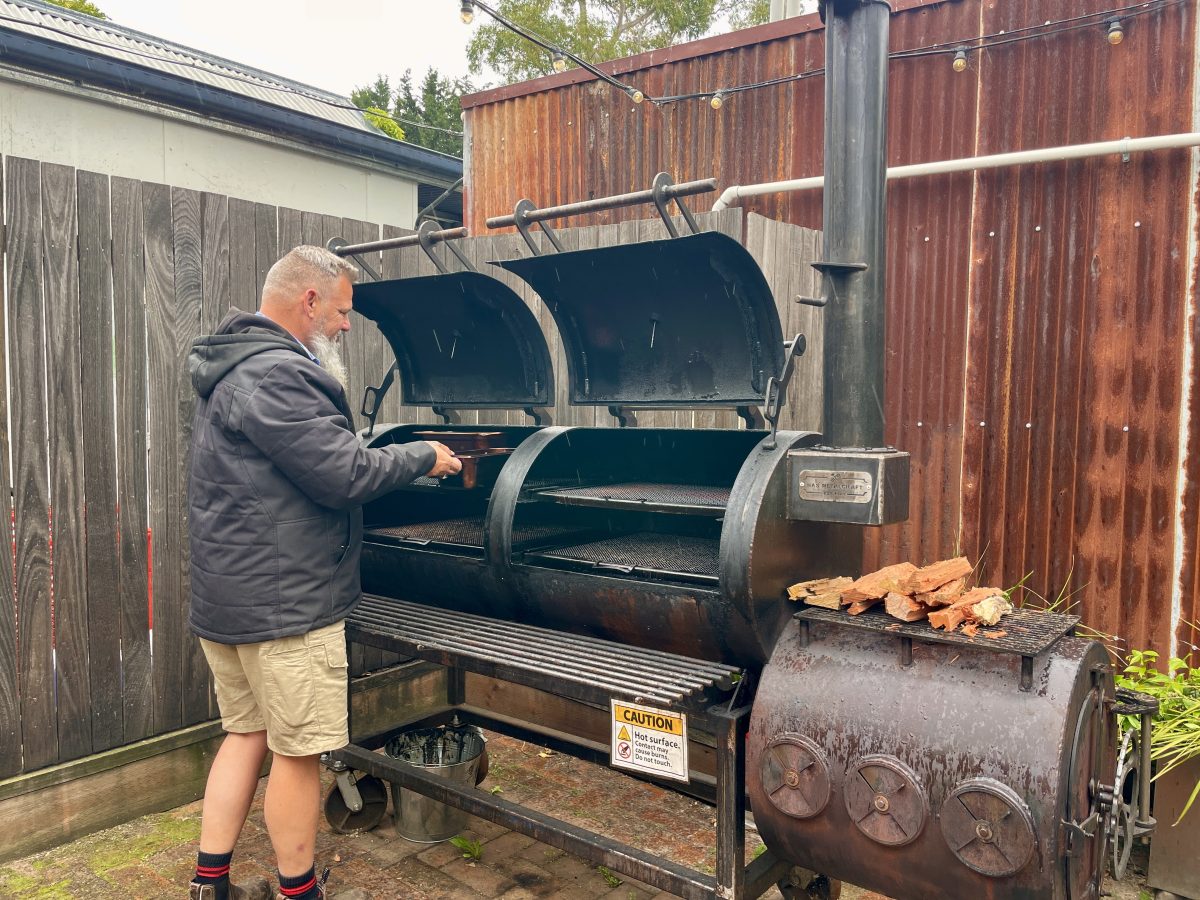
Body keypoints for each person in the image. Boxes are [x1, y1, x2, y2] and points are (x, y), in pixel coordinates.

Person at [184, 245, 461, 900]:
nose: (345, 325)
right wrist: (424, 455)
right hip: (283, 609)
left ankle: (209, 885)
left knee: (244, 736)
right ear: (308, 301)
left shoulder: (235, 367)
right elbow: (344, 475)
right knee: (296, 753)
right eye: (341, 312)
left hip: (230, 602)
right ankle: (299, 892)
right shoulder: (277, 375)